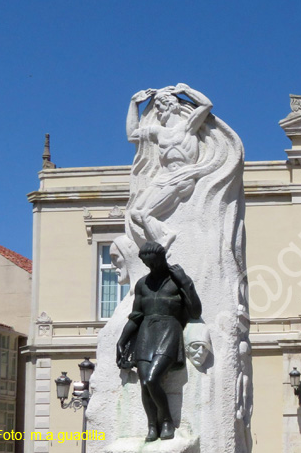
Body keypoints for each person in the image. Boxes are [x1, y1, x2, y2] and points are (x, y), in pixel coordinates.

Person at [116, 242, 202, 442]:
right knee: (145, 383)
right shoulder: (142, 284)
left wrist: (185, 282)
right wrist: (122, 340)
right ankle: (152, 425)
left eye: (153, 263)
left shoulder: (176, 281)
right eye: (147, 264)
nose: (151, 268)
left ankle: (167, 421)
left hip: (169, 332)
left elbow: (196, 312)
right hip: (146, 333)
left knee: (152, 379)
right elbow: (136, 316)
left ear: (162, 259)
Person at [125, 84, 213, 249]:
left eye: (160, 107)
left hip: (181, 178)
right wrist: (133, 103)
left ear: (171, 106)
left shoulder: (188, 126)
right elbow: (132, 135)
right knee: (135, 213)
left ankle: (163, 243)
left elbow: (206, 105)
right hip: (162, 179)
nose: (157, 111)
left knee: (145, 214)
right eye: (156, 107)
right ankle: (165, 232)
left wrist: (186, 90)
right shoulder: (158, 132)